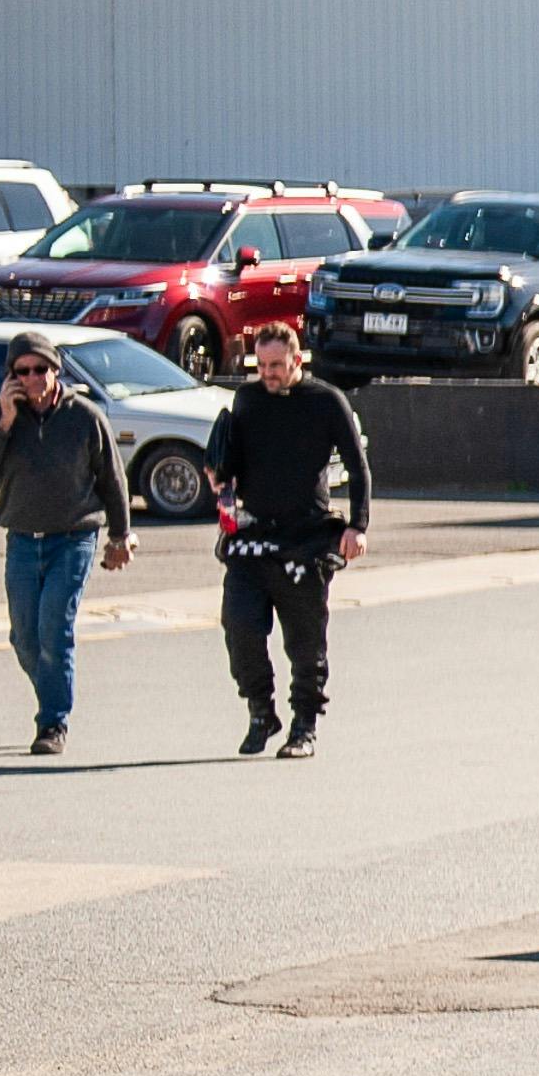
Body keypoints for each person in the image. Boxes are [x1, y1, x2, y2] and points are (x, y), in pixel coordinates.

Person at [202, 323, 373, 757]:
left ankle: (304, 727)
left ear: (298, 360)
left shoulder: (325, 401)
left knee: (304, 641)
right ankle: (262, 712)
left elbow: (358, 465)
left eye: (277, 365)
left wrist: (358, 526)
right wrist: (219, 475)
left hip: (307, 539)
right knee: (239, 628)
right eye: (262, 365)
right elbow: (234, 460)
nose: (269, 373)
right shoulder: (248, 398)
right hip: (253, 535)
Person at [0, 332, 129, 757]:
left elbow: (113, 480)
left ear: (56, 370)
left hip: (73, 538)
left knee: (54, 629)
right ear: (11, 377)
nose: (34, 378)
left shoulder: (85, 416)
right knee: (24, 638)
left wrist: (119, 535)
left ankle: (53, 722)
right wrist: (3, 421)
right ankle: (53, 691)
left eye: (41, 369)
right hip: (22, 539)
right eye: (24, 371)